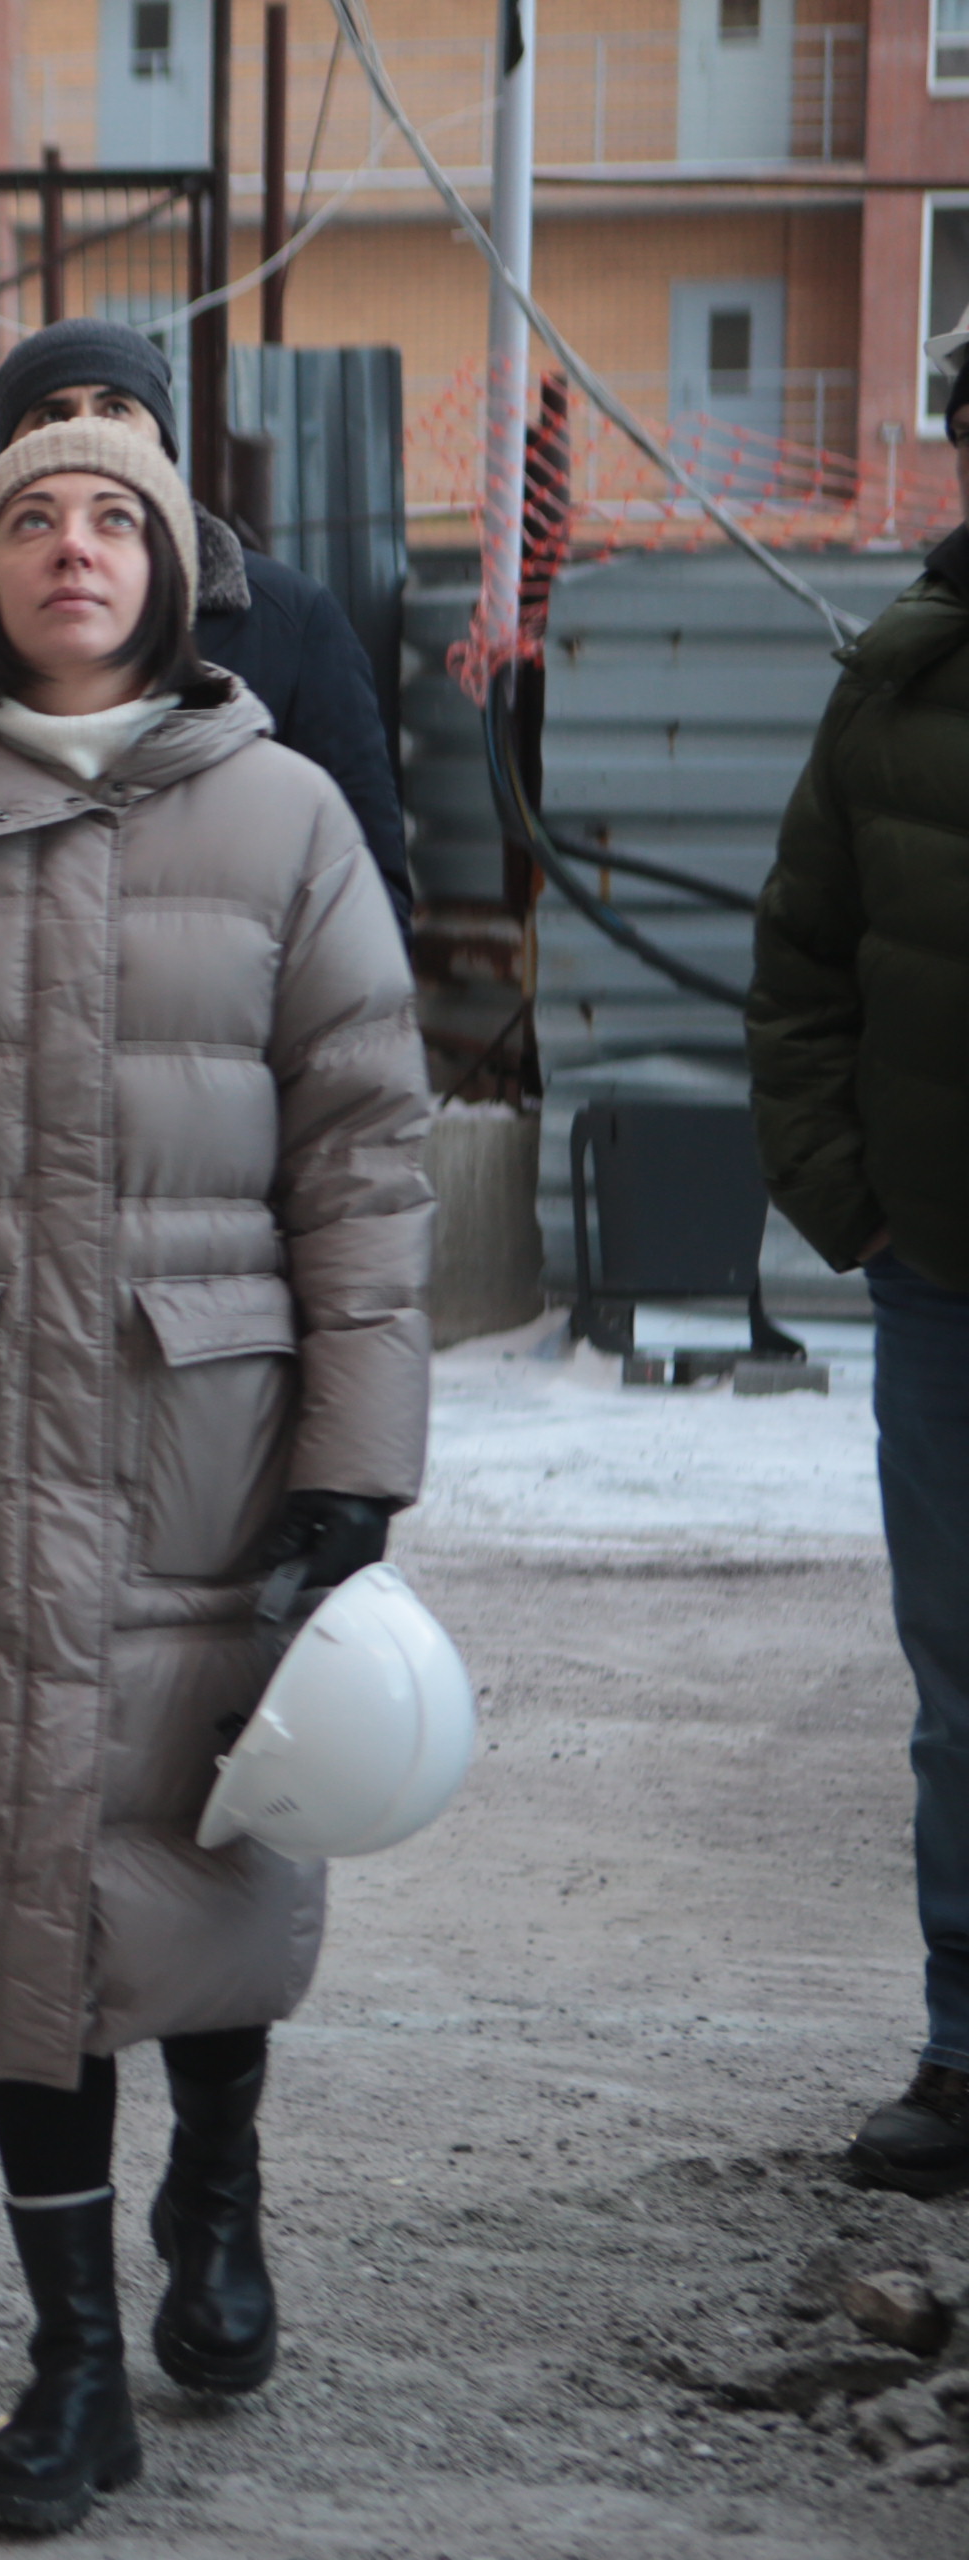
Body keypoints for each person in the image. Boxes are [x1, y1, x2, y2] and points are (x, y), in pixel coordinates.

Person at [0, 420, 431, 2533]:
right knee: (8, 1883)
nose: (73, 547)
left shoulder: (289, 816)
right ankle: (72, 2361)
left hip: (214, 1433)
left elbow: (365, 1155)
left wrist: (357, 1456)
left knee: (210, 1843)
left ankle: (218, 2177)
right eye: (31, 518)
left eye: (115, 517)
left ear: (174, 573)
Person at [748, 332, 969, 2201]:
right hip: (944, 1282)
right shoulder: (897, 691)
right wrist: (860, 1207)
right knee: (964, 1683)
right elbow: (800, 965)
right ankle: (967, 2052)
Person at [0, 317, 409, 931]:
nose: (87, 429)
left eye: (116, 407)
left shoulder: (290, 622)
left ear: (164, 442)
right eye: (52, 414)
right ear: (11, 460)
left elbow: (363, 889)